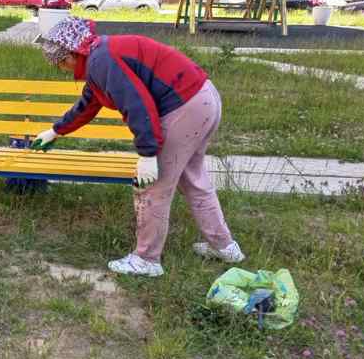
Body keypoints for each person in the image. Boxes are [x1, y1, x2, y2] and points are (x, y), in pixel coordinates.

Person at [32, 18, 244, 277]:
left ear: (73, 52)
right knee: (193, 180)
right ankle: (224, 247)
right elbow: (89, 103)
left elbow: (138, 106)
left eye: (62, 62)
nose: (63, 68)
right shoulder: (101, 55)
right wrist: (56, 130)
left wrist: (147, 154)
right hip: (203, 99)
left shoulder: (102, 61)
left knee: (151, 186)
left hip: (184, 107)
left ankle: (146, 260)